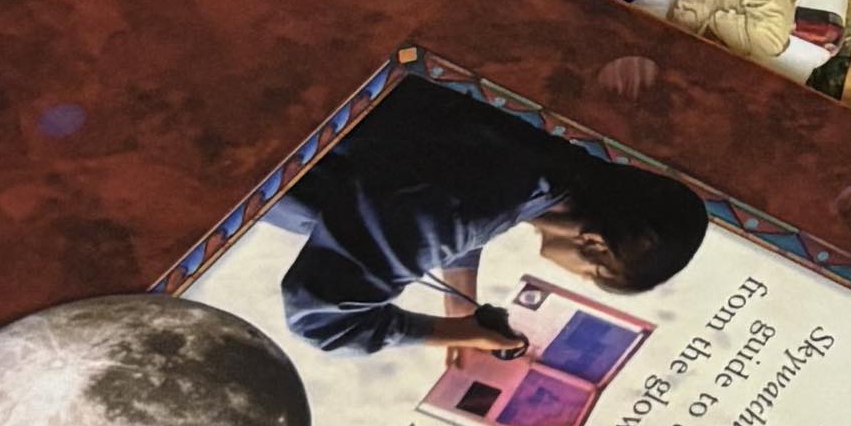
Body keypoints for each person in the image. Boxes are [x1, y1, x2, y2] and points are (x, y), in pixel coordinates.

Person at [273, 78, 715, 368]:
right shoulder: (467, 207)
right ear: (595, 245)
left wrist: (462, 303)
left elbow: (450, 189)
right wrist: (448, 333)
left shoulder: (551, 152)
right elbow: (321, 316)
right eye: (593, 274)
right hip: (261, 144)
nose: (577, 276)